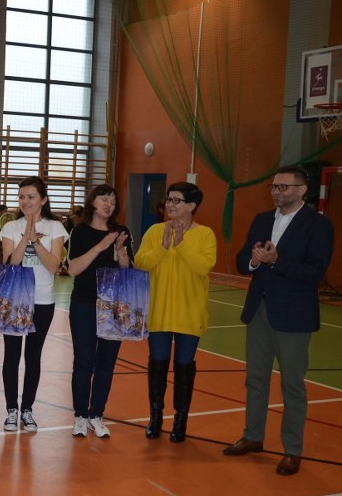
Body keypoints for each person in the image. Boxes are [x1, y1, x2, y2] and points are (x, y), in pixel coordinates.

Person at [223, 166, 334, 475]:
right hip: (259, 310)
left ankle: (292, 450)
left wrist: (276, 261)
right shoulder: (261, 220)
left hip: (294, 316)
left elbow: (314, 272)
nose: (276, 192)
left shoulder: (318, 226)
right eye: (274, 186)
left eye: (284, 187)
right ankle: (253, 436)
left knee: (292, 385)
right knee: (255, 379)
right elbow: (241, 261)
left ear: (302, 190)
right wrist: (253, 260)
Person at [135, 181, 216, 443]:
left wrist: (180, 244)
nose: (170, 204)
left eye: (176, 200)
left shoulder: (205, 235)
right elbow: (141, 263)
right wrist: (163, 246)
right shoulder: (155, 231)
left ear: (191, 205)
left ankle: (181, 420)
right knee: (158, 364)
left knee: (184, 366)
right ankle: (155, 417)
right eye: (169, 199)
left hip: (189, 313)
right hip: (158, 312)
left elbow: (203, 267)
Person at [0, 176, 69, 432]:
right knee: (11, 355)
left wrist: (36, 240)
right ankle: (11, 409)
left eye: (30, 196)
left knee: (33, 356)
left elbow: (53, 266)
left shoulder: (55, 227)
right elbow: (11, 263)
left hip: (42, 301)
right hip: (14, 300)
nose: (25, 201)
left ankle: (27, 409)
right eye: (21, 197)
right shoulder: (10, 227)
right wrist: (25, 236)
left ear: (43, 199)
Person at [66, 185, 133, 438]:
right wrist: (100, 246)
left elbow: (127, 271)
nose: (109, 204)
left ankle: (97, 415)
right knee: (84, 362)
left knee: (106, 363)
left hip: (113, 306)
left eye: (113, 201)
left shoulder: (121, 232)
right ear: (92, 202)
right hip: (84, 304)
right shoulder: (80, 231)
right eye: (104, 199)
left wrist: (121, 253)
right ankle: (80, 416)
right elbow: (73, 269)